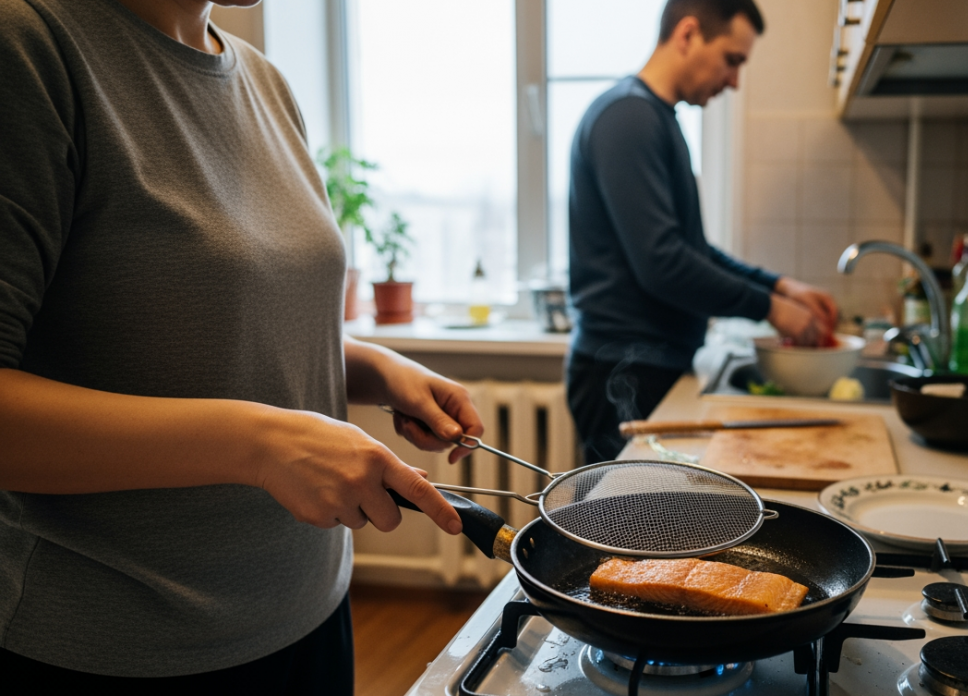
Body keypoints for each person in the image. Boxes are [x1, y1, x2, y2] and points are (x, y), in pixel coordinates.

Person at [0, 0, 480, 691]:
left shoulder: (265, 82)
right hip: (120, 649)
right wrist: (259, 445)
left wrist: (377, 369)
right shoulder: (30, 46)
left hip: (310, 612)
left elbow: (225, 321)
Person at [566, 0, 838, 464]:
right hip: (624, 372)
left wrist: (779, 286)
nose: (734, 81)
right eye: (732, 60)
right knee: (616, 510)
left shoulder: (655, 118)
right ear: (688, 34)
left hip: (644, 367)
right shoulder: (629, 118)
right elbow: (663, 262)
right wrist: (770, 308)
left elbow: (690, 249)